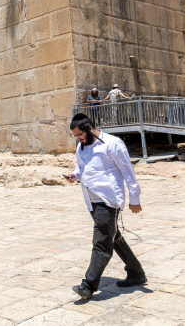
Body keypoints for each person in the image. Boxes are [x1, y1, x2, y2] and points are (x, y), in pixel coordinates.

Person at [64, 113, 146, 299]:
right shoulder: (82, 147)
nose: (78, 138)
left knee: (101, 242)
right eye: (76, 136)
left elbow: (128, 171)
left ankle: (88, 285)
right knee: (113, 236)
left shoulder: (112, 143)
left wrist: (135, 198)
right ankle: (136, 273)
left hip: (108, 200)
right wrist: (74, 175)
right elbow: (82, 167)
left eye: (79, 134)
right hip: (91, 200)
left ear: (88, 128)